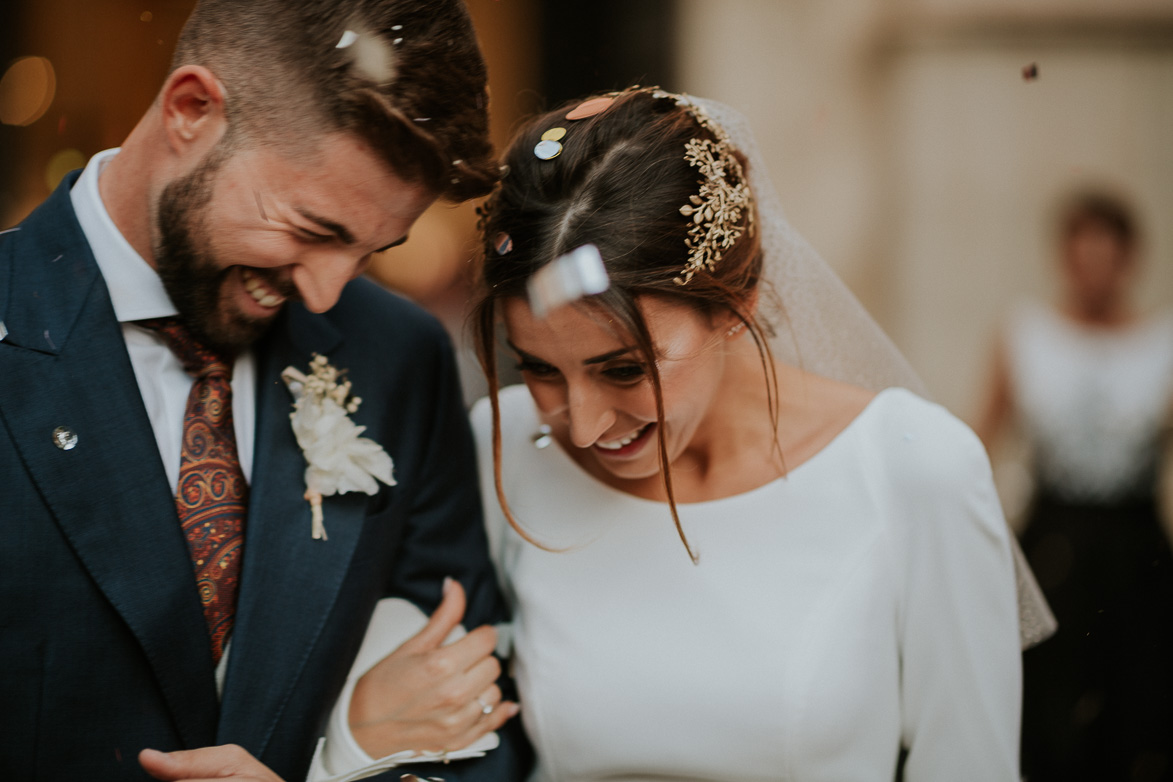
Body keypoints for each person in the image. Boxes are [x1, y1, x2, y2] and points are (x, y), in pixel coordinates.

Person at [0, 1, 528, 781]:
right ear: (191, 109)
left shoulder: (397, 356)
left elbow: (475, 730)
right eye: (312, 228)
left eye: (370, 248)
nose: (325, 293)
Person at [468, 86, 1030, 782]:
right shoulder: (506, 444)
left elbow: (968, 765)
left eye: (621, 369)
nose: (581, 426)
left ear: (735, 304)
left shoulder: (914, 468)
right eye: (539, 369)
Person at [976, 191, 1173, 781]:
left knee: (1138, 703)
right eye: (1082, 255)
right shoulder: (1027, 334)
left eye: (1106, 255)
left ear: (1129, 259)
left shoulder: (1161, 343)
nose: (1094, 270)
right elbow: (981, 439)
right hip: (1054, 543)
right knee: (1049, 703)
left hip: (1136, 548)